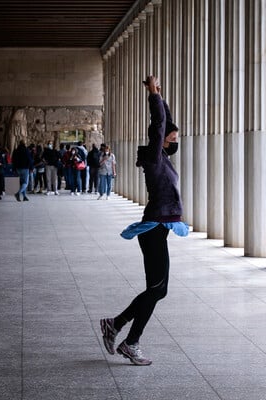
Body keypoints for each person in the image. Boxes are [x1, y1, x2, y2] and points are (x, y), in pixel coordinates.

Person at [100, 76, 188, 366]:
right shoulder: (154, 157)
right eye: (172, 139)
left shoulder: (163, 158)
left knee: (158, 289)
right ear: (160, 141)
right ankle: (130, 341)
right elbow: (160, 124)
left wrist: (162, 95)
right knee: (157, 289)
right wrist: (153, 95)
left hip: (158, 230)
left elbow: (168, 123)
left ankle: (116, 325)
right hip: (152, 231)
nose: (176, 142)